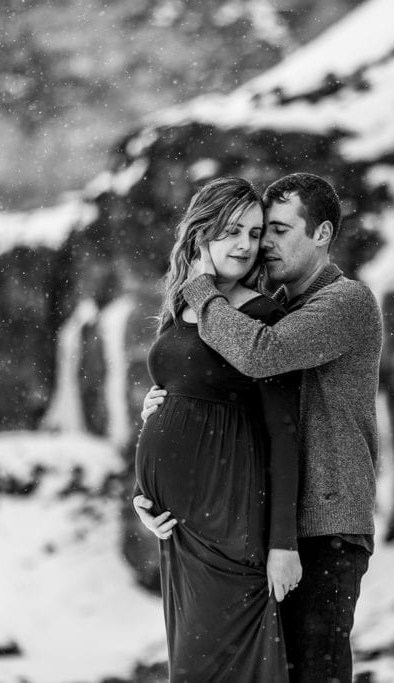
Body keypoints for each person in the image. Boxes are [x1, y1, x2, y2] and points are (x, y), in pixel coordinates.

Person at [138, 172, 382, 683]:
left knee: (315, 671)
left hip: (323, 524)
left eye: (277, 230)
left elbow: (259, 354)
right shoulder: (269, 303)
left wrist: (202, 290)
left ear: (322, 235)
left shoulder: (345, 302)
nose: (262, 244)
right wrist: (172, 407)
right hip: (262, 516)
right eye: (254, 231)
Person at [131, 177, 302, 682]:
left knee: (220, 668)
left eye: (253, 233)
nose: (245, 245)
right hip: (177, 529)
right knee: (190, 669)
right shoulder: (179, 305)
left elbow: (283, 432)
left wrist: (283, 545)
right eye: (231, 231)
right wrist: (157, 417)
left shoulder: (261, 314)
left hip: (230, 517)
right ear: (200, 233)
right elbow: (185, 384)